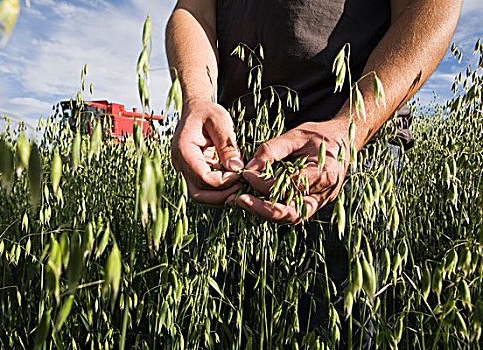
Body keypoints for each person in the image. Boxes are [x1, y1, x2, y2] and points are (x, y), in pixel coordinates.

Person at [165, 0, 462, 347]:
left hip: (353, 154)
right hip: (235, 150)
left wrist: (349, 129)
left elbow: (431, 6)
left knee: (335, 329)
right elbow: (192, 10)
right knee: (223, 326)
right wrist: (197, 100)